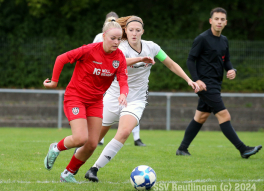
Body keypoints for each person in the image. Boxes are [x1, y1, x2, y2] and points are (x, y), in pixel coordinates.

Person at [84, 16, 200, 182]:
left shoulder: (151, 47)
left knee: (124, 132)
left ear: (143, 32)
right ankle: (75, 163)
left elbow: (171, 64)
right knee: (93, 140)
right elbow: (120, 62)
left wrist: (189, 80)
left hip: (136, 100)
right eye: (131, 30)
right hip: (114, 96)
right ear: (126, 31)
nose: (134, 33)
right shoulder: (120, 47)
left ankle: (94, 169)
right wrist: (140, 59)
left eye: (138, 30)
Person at [43, 17, 130, 183]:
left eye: (119, 39)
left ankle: (67, 173)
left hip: (96, 102)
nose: (116, 42)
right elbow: (61, 58)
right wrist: (54, 82)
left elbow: (123, 81)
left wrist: (123, 93)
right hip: (75, 97)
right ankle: (56, 148)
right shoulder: (89, 50)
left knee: (91, 143)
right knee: (80, 138)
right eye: (113, 38)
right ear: (104, 36)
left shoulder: (119, 58)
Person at [176, 7, 262, 158]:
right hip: (206, 85)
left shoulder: (224, 40)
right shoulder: (202, 38)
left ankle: (182, 149)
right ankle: (243, 149)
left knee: (201, 117)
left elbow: (226, 60)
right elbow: (190, 60)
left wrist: (232, 70)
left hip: (216, 84)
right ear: (211, 21)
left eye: (222, 19)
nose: (219, 22)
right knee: (224, 115)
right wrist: (197, 80)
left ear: (226, 22)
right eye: (216, 19)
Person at [93, 11, 146, 147]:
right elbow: (93, 56)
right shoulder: (99, 37)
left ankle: (137, 138)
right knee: (103, 113)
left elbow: (120, 60)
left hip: (117, 78)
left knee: (130, 110)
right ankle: (97, 139)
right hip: (103, 78)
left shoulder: (123, 40)